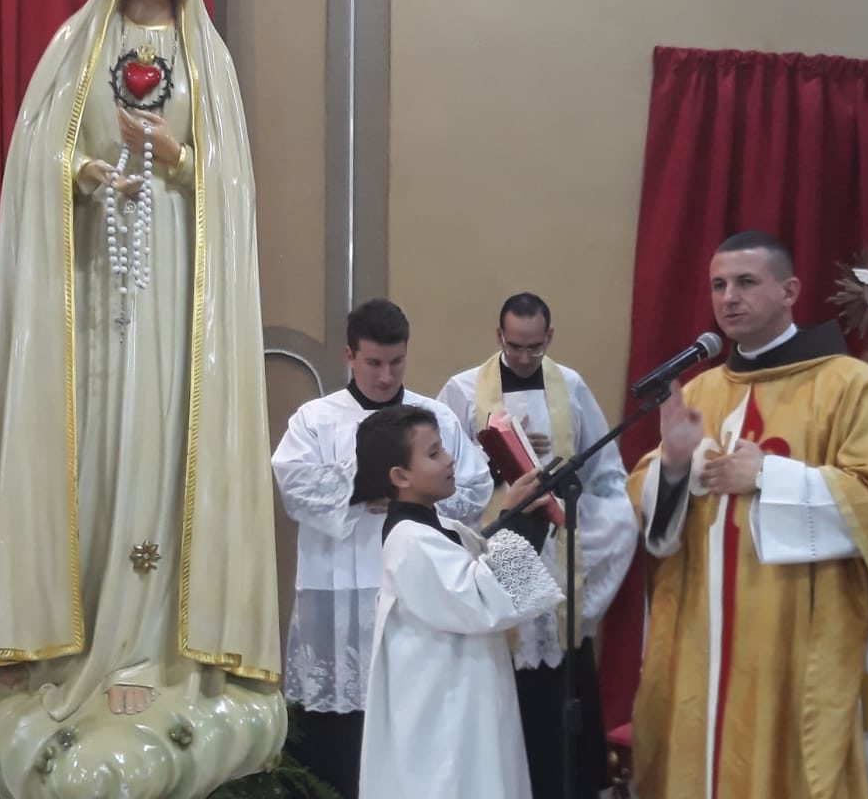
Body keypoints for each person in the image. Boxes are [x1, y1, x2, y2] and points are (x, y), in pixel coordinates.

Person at [0, 0, 282, 796]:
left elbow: (234, 186)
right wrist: (82, 172)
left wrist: (176, 157)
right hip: (91, 311)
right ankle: (74, 653)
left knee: (161, 449)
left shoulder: (207, 60)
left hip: (177, 309)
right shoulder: (76, 44)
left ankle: (146, 656)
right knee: (93, 457)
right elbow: (33, 161)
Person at [627, 231, 868, 798]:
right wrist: (672, 468)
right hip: (706, 638)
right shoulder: (702, 390)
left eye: (746, 282)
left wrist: (767, 475)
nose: (728, 298)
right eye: (718, 285)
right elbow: (652, 516)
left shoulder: (848, 385)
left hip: (800, 632)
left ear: (789, 291)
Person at [271, 298, 494, 797]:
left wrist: (402, 490)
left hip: (414, 594)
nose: (386, 376)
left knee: (408, 722)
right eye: (373, 362)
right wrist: (366, 483)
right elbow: (294, 487)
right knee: (336, 744)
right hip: (335, 595)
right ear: (349, 355)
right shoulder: (316, 419)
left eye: (397, 362)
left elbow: (474, 488)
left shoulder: (433, 418)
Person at [438, 292, 636, 797]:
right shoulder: (462, 391)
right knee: (506, 704)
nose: (525, 357)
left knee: (557, 705)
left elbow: (607, 477)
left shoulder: (570, 387)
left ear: (549, 337)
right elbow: (441, 482)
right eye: (515, 346)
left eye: (535, 347)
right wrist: (494, 459)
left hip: (553, 557)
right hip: (496, 556)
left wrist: (581, 524)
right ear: (498, 337)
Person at [355, 405, 563, 799]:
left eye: (444, 448)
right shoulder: (409, 541)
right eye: (433, 453)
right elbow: (483, 600)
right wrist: (514, 514)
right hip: (443, 713)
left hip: (469, 696)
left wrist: (532, 513)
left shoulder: (446, 529)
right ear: (400, 476)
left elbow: (502, 580)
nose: (449, 459)